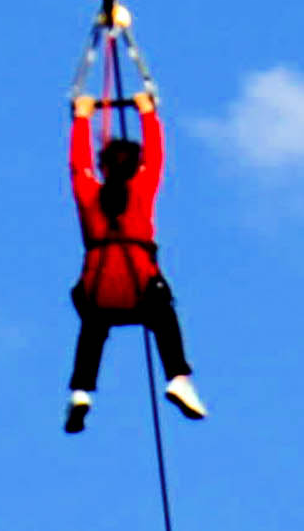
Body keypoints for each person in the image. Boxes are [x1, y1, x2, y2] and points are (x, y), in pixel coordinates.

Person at [67, 45, 203, 432]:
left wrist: (81, 118)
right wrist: (148, 111)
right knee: (164, 316)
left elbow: (78, 164)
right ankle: (178, 377)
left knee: (93, 326)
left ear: (105, 166)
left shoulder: (89, 193)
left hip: (99, 289)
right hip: (139, 285)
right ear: (135, 165)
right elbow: (157, 157)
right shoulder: (142, 189)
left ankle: (81, 391)